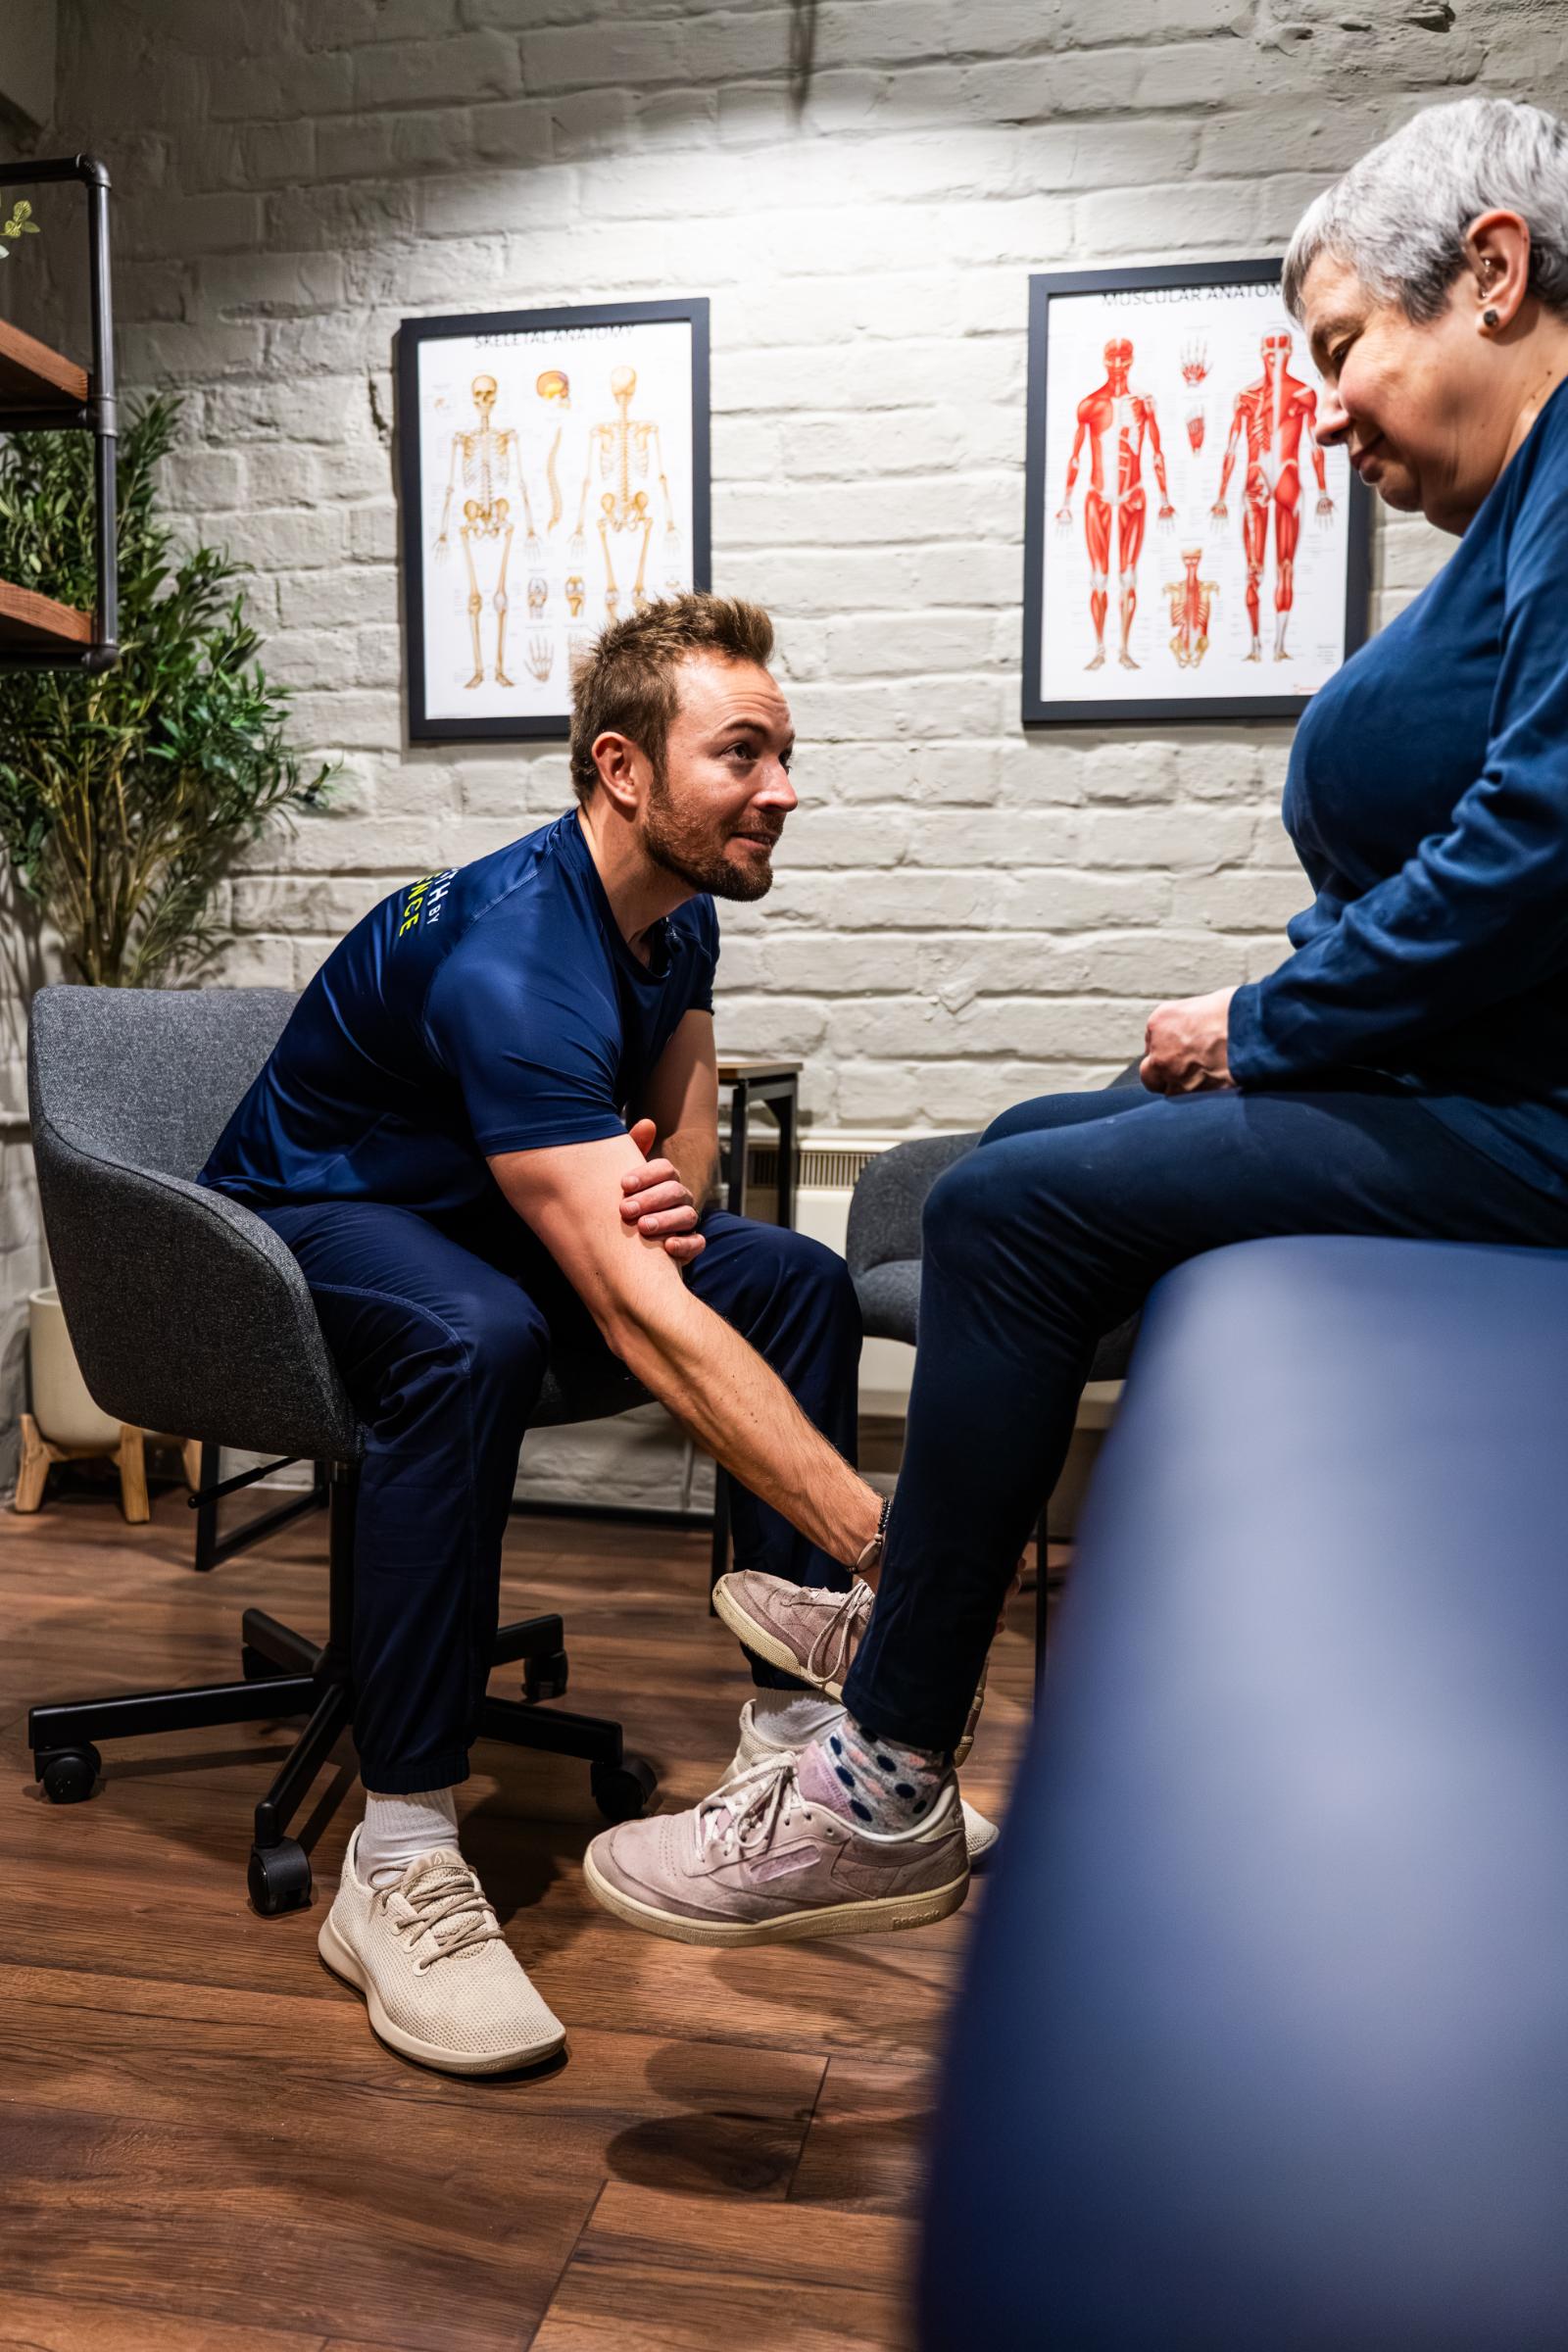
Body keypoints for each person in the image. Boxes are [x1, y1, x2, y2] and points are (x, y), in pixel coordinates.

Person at [585, 95, 1568, 1943]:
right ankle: (914, 1603)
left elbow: (1538, 846)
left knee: (1006, 1210)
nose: (1325, 408)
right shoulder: (1525, 514)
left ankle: (883, 1781)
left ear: (1494, 273)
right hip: (1452, 1064)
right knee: (1025, 1146)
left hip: (1528, 1120)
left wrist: (1266, 1022)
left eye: (1342, 347)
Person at [200, 594, 983, 2074]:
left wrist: (651, 1200)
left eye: (785, 754)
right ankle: (399, 1854)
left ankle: (799, 1745)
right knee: (473, 1337)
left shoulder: (677, 917)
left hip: (475, 1208)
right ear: (623, 769)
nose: (783, 789)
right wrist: (891, 1550)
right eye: (742, 753)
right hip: (304, 1221)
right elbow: (632, 1301)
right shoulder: (513, 952)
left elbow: (682, 1179)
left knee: (790, 1280)